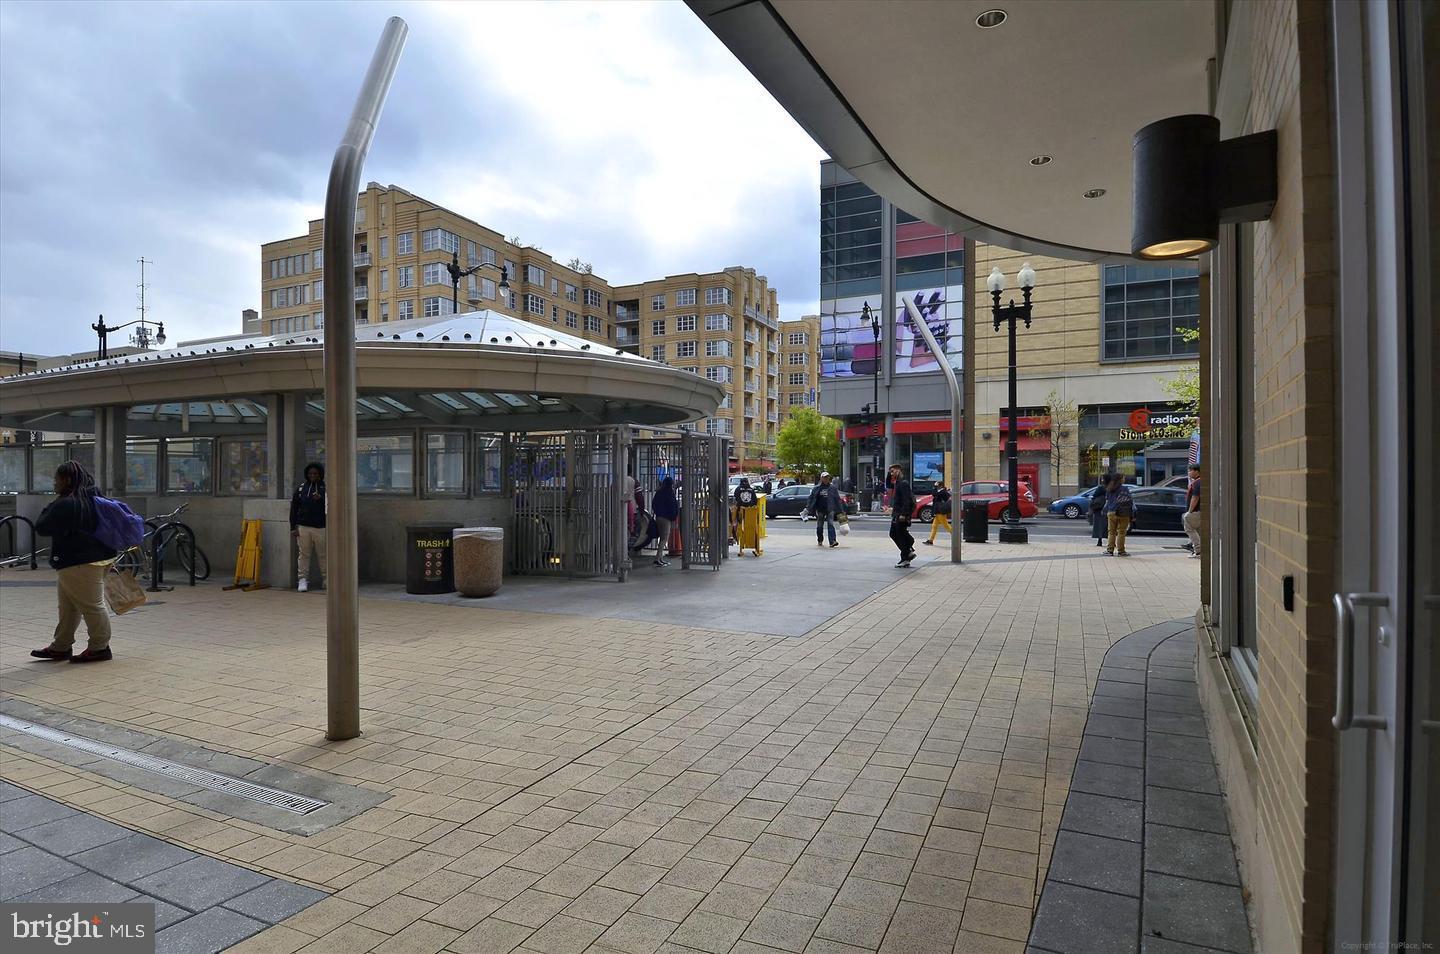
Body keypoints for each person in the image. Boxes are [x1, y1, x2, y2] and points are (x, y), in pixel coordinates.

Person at [30, 460, 115, 663]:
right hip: (100, 558)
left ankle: (100, 647)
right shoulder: (94, 497)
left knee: (92, 606)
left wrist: (53, 503)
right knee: (68, 606)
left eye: (56, 479)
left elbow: (41, 526)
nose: (54, 484)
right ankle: (61, 646)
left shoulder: (66, 503)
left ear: (67, 480)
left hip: (78, 562)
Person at [290, 462, 327, 591]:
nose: (312, 476)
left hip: (321, 527)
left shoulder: (325, 488)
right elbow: (294, 508)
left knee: (323, 554)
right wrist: (293, 527)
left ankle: (326, 579)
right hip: (303, 527)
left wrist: (321, 499)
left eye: (315, 474)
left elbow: (331, 506)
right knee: (304, 554)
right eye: (310, 473)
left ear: (320, 475)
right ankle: (302, 580)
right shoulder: (301, 489)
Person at [887, 464, 917, 567]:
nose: (892, 473)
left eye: (893, 471)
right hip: (897, 513)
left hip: (901, 514)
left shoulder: (903, 483)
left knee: (899, 535)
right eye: (890, 472)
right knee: (894, 533)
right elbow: (888, 485)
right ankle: (908, 550)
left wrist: (904, 514)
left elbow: (906, 500)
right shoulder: (897, 483)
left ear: (899, 470)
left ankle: (905, 557)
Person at [806, 472, 843, 548]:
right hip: (820, 510)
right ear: (821, 478)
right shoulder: (817, 488)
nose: (826, 479)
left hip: (830, 509)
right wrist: (808, 508)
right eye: (824, 477)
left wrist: (841, 511)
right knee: (820, 526)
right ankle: (820, 539)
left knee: (830, 525)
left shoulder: (832, 488)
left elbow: (837, 499)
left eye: (827, 477)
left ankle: (832, 541)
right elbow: (811, 498)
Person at [652, 476, 679, 567]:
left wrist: (657, 512)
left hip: (659, 517)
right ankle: (658, 558)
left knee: (662, 538)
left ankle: (660, 558)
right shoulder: (670, 493)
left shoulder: (659, 492)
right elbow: (673, 506)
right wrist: (673, 517)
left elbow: (654, 504)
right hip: (666, 519)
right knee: (664, 539)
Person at [1104, 473, 1134, 557]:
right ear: (1120, 479)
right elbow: (1129, 500)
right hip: (1123, 512)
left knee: (1111, 532)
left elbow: (1107, 501)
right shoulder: (1124, 488)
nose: (1124, 479)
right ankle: (1121, 551)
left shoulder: (1109, 488)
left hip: (1111, 512)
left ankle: (1110, 550)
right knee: (1121, 532)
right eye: (1123, 478)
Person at [733, 477, 764, 556]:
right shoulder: (751, 489)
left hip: (740, 509)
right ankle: (751, 542)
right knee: (750, 527)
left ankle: (736, 537)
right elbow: (754, 500)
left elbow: (735, 497)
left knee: (738, 524)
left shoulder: (738, 489)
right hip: (750, 511)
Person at [923, 480, 952, 545]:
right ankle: (930, 540)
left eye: (937, 485)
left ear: (940, 486)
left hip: (940, 511)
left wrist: (934, 486)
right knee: (934, 526)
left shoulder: (943, 492)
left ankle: (955, 536)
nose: (936, 486)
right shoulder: (941, 491)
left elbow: (934, 494)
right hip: (938, 511)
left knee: (946, 525)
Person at [1183, 464, 1202, 557]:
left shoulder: (1197, 483)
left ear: (1197, 471)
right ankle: (1200, 550)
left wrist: (1189, 511)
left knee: (1189, 529)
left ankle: (1198, 550)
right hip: (1199, 511)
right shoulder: (1200, 482)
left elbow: (1195, 497)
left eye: (1190, 470)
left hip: (1195, 511)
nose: (1189, 472)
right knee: (1198, 531)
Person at [1089, 476, 1108, 548]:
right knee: (1108, 526)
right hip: (1107, 508)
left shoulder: (1101, 488)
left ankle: (1099, 541)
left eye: (1103, 478)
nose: (1102, 480)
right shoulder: (1110, 487)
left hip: (1099, 508)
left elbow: (1094, 495)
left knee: (1099, 525)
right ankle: (1111, 541)